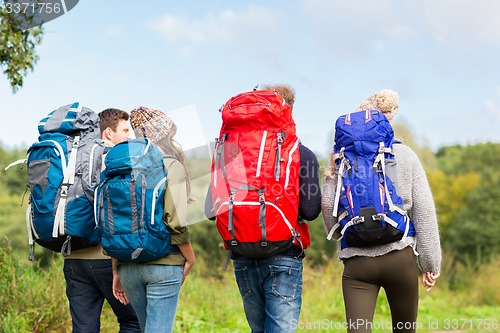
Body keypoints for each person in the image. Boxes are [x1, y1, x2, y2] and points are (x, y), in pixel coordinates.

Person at [322, 89, 442, 333]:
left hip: (357, 262)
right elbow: (425, 212)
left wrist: (341, 234)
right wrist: (431, 264)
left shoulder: (340, 158)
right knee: (404, 330)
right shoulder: (405, 155)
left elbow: (327, 205)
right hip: (399, 259)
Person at [205, 84, 322, 333]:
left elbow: (210, 209)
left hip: (241, 254)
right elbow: (311, 211)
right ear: (288, 111)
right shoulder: (303, 153)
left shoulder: (229, 149)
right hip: (284, 254)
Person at [112, 106, 196, 333]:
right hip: (163, 263)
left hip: (128, 265)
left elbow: (115, 219)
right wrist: (190, 258)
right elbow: (175, 220)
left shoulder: (122, 165)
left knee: (146, 328)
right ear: (165, 134)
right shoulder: (170, 164)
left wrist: (116, 268)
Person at [63, 108, 140, 333]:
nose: (129, 136)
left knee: (83, 328)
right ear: (108, 133)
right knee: (134, 322)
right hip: (107, 259)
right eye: (125, 130)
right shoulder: (112, 160)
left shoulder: (73, 159)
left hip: (73, 257)